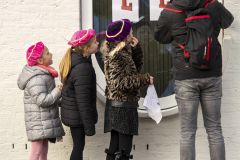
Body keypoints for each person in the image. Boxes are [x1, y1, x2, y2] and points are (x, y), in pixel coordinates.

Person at [154, 0, 234, 160]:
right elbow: (228, 21)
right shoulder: (212, 5)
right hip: (212, 74)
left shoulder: (170, 11)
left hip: (186, 76)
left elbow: (160, 36)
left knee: (187, 132)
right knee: (215, 130)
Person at [102, 19, 154, 160]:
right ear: (125, 37)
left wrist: (136, 50)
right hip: (122, 107)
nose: (133, 34)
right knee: (123, 151)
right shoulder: (118, 56)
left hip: (119, 106)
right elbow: (120, 82)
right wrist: (145, 79)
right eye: (131, 32)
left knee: (114, 149)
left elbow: (133, 72)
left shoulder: (120, 53)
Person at [17, 42, 65, 160]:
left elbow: (50, 98)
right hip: (37, 122)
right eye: (48, 53)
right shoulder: (36, 78)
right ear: (40, 61)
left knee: (43, 151)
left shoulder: (44, 75)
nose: (51, 54)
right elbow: (42, 100)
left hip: (43, 121)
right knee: (36, 152)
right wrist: (58, 91)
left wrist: (63, 100)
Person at [59, 29, 99, 160]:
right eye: (94, 42)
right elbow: (83, 100)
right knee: (78, 147)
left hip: (74, 114)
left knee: (78, 146)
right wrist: (89, 127)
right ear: (86, 48)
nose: (98, 43)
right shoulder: (83, 68)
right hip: (78, 116)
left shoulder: (80, 61)